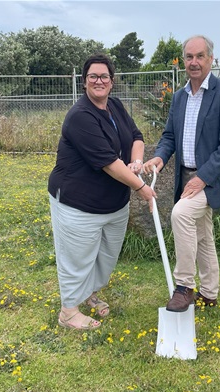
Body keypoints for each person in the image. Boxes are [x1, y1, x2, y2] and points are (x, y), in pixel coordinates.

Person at [48, 54, 156, 330]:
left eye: (104, 76)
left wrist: (137, 161)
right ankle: (69, 311)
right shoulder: (80, 117)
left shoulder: (116, 106)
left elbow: (136, 136)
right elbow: (108, 163)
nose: (99, 81)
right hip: (78, 202)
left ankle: (90, 294)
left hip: (114, 203)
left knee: (105, 255)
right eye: (93, 76)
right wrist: (141, 187)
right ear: (85, 82)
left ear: (112, 81)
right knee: (78, 255)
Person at [144, 35, 220, 312]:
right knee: (202, 233)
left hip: (213, 181)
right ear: (183, 61)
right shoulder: (179, 97)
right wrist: (160, 159)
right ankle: (209, 292)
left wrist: (203, 177)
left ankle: (184, 286)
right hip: (187, 177)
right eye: (189, 57)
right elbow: (169, 136)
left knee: (181, 214)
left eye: (200, 56)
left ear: (211, 58)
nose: (194, 62)